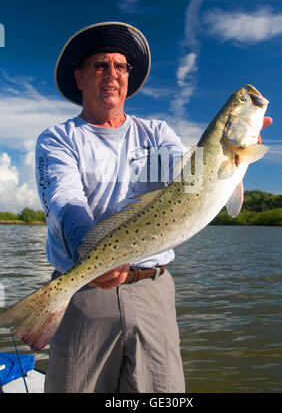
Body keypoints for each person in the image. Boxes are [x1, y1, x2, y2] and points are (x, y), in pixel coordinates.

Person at [36, 22, 187, 393]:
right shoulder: (60, 139)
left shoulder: (156, 135)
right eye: (100, 65)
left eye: (120, 67)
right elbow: (64, 200)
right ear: (80, 77)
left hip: (152, 290)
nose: (112, 74)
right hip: (83, 291)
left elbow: (185, 176)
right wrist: (92, 256)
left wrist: (231, 154)